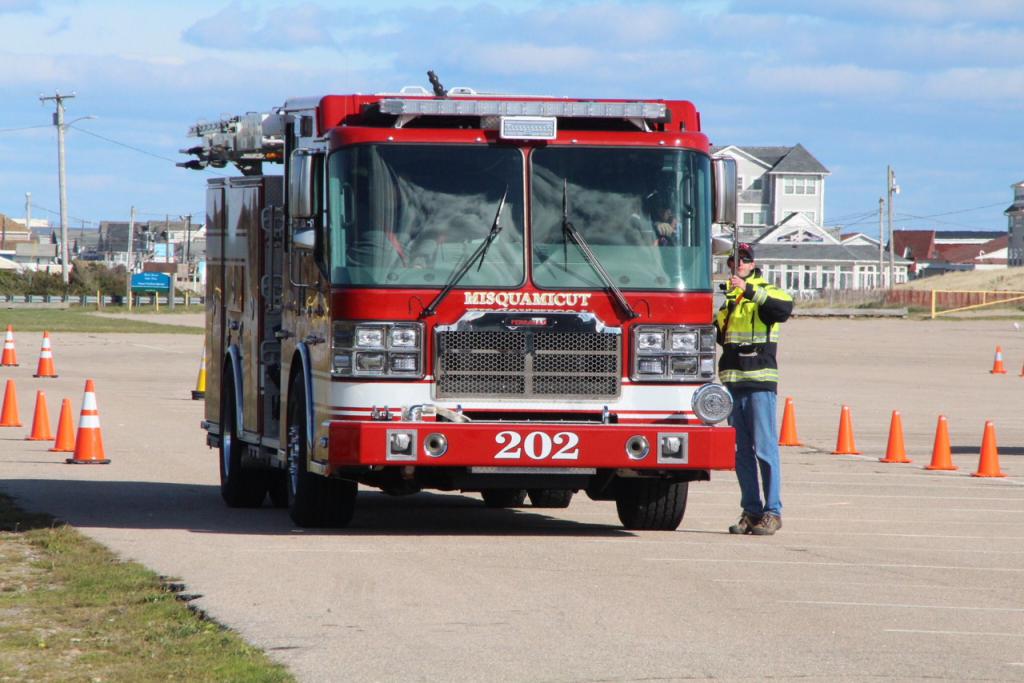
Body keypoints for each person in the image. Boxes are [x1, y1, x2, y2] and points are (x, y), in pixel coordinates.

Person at [715, 243, 793, 536]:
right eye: (733, 261)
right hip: (733, 383)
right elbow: (720, 336)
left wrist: (748, 290)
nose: (737, 264)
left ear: (752, 264)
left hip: (759, 382)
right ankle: (751, 510)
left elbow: (783, 308)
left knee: (765, 449)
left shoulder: (766, 291)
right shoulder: (729, 301)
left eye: (743, 260)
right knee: (741, 453)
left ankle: (773, 512)